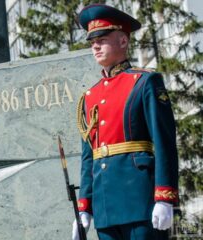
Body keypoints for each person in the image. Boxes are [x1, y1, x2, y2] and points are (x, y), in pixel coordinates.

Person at [72, 4, 179, 240]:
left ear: (122, 41)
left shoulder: (145, 82)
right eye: (91, 42)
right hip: (105, 205)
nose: (95, 46)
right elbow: (89, 157)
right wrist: (84, 208)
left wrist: (164, 196)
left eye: (102, 38)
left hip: (140, 200)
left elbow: (164, 143)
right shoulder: (90, 97)